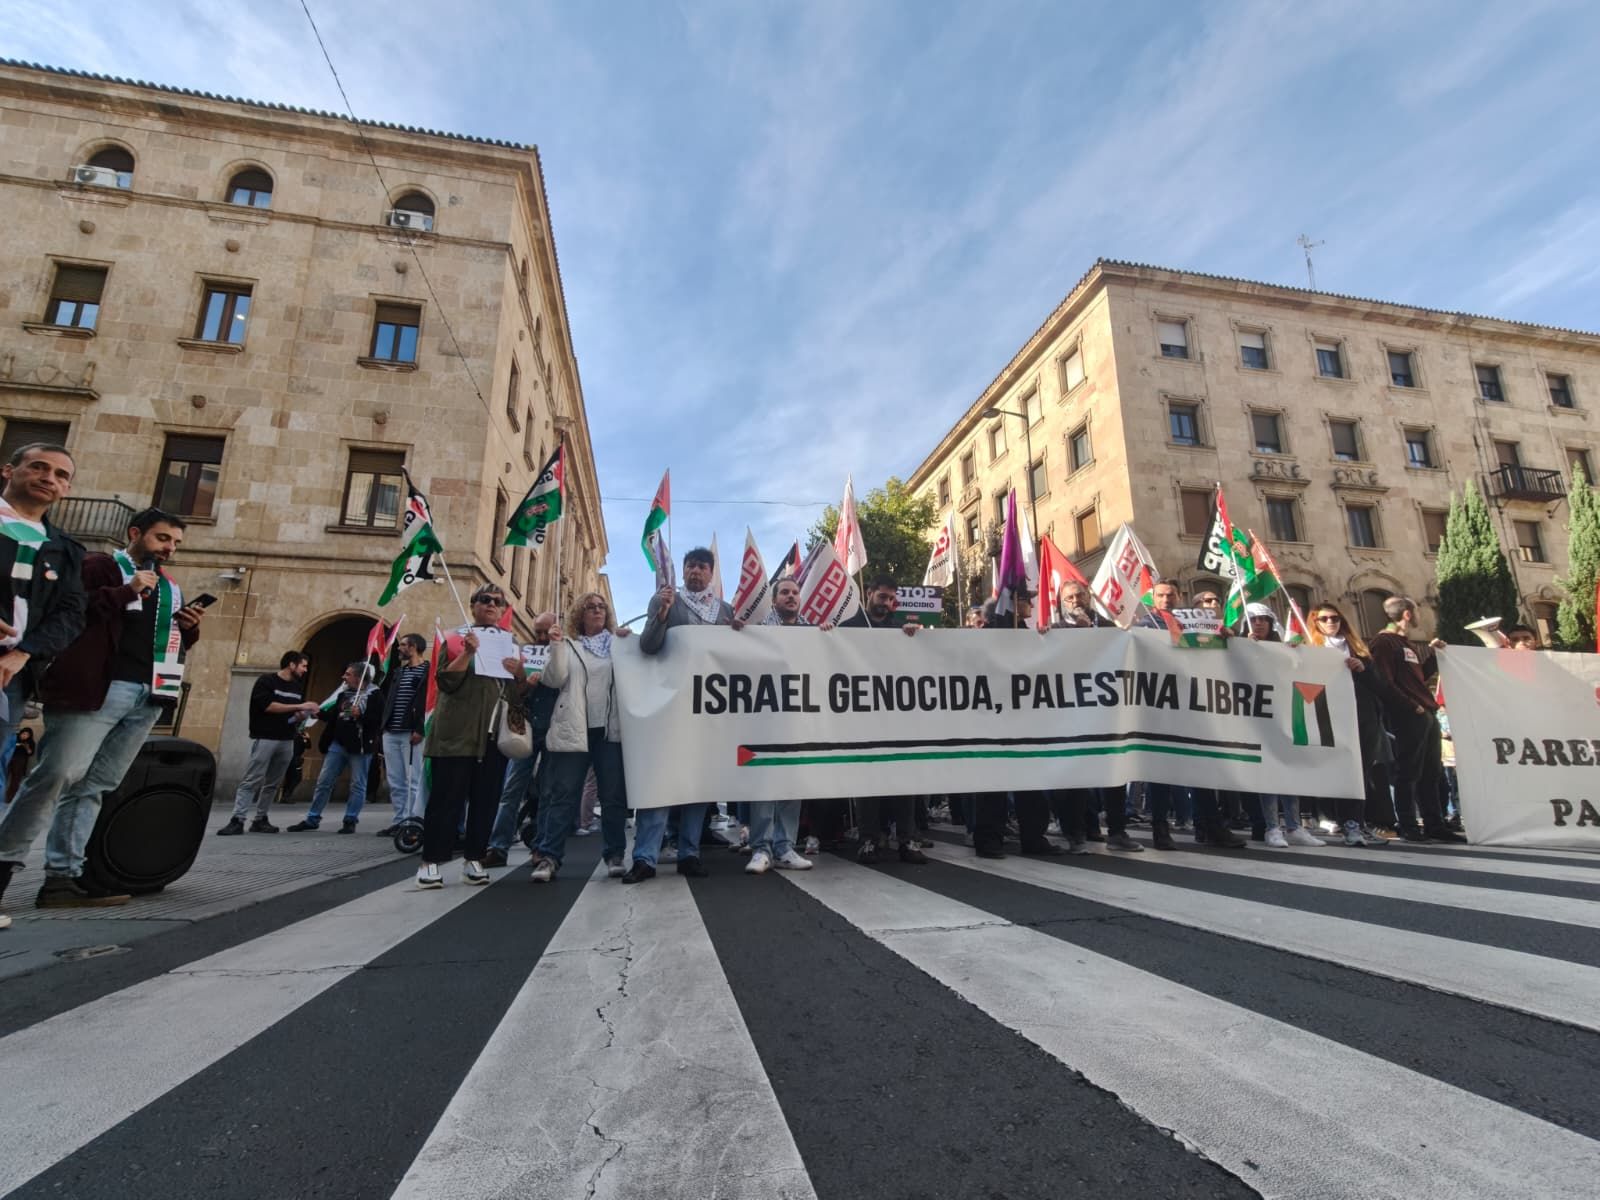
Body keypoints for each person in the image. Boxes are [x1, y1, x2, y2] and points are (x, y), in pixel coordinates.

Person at [0, 507, 202, 913]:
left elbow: (153, 637)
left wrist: (189, 628)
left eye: (176, 543)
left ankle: (63, 878)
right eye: (163, 539)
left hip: (148, 692)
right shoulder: (101, 566)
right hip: (99, 687)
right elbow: (71, 612)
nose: (169, 548)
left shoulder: (168, 587)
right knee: (55, 775)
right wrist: (127, 590)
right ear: (135, 533)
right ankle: (4, 865)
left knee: (95, 785)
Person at [625, 548, 734, 883]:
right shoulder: (665, 600)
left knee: (697, 784)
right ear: (683, 571)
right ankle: (645, 856)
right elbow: (648, 646)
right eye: (691, 566)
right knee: (659, 780)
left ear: (711, 572)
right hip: (669, 705)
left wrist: (741, 634)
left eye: (702, 566)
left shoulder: (726, 611)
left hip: (707, 709)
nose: (696, 571)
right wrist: (660, 615)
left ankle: (690, 852)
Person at [417, 586, 529, 888]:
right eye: (485, 600)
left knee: (486, 801)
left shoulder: (510, 644)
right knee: (445, 802)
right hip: (455, 736)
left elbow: (516, 698)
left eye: (497, 602)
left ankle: (474, 859)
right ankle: (430, 861)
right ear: (473, 605)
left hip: (493, 738)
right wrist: (467, 652)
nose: (491, 605)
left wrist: (519, 674)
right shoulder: (454, 638)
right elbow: (445, 681)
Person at [0, 443, 86, 797]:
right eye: (39, 467)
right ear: (9, 470)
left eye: (60, 475)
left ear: (66, 489)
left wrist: (26, 652)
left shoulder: (65, 550)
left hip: (12, 672)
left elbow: (72, 612)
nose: (48, 478)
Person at [530, 593, 630, 882]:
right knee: (563, 794)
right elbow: (554, 678)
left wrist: (628, 641)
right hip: (574, 728)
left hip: (609, 731)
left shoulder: (619, 645)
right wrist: (557, 646)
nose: (597, 611)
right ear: (580, 615)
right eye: (590, 607)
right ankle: (549, 856)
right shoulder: (569, 645)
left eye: (601, 607)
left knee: (612, 796)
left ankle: (614, 854)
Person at [840, 575, 931, 865]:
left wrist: (915, 637)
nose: (888, 603)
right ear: (869, 594)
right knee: (869, 782)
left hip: (897, 718)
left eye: (892, 599)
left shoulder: (899, 628)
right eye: (882, 597)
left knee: (903, 780)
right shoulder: (849, 627)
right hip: (863, 718)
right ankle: (869, 839)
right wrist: (827, 635)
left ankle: (907, 839)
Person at [1049, 581, 1143, 854]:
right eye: (1069, 597)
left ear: (1089, 597)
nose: (1076, 600)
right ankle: (1075, 833)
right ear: (1062, 602)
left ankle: (1117, 831)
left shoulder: (1108, 627)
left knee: (1114, 772)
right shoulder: (1054, 630)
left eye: (1080, 595)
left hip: (1107, 711)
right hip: (1072, 714)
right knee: (1075, 777)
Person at [732, 577, 814, 873]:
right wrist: (739, 636)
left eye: (795, 593)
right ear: (774, 599)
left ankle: (785, 847)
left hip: (798, 719)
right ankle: (761, 848)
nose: (791, 597)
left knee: (792, 782)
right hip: (765, 717)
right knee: (765, 782)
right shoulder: (758, 632)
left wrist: (829, 637)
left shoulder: (813, 632)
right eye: (785, 592)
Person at [971, 592, 1061, 860]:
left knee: (1030, 782)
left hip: (1025, 719)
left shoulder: (1025, 631)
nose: (1032, 605)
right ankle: (988, 839)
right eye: (1026, 600)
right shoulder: (988, 632)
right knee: (993, 784)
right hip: (994, 719)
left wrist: (1046, 640)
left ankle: (1033, 837)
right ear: (1012, 603)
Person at [1369, 596, 1466, 843]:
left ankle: (1435, 823)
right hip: (1410, 715)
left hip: (1426, 712)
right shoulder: (1383, 643)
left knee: (1431, 772)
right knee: (1408, 771)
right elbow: (1383, 682)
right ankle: (1408, 824)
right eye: (1417, 610)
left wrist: (1435, 657)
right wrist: (1412, 707)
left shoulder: (1406, 644)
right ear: (1408, 614)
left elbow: (1417, 680)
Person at [1307, 602, 1393, 847]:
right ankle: (1344, 821)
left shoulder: (1359, 651)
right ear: (1315, 623)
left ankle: (1356, 822)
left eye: (1335, 618)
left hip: (1363, 718)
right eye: (1324, 619)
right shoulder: (1312, 650)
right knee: (1339, 771)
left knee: (1361, 772)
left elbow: (1381, 686)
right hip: (1330, 718)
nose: (1331, 622)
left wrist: (1363, 669)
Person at [1242, 603, 1322, 847]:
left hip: (1286, 715)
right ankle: (1272, 827)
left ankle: (1294, 826)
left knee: (1289, 772)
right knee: (1269, 775)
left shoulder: (1284, 648)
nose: (1258, 623)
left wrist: (1296, 653)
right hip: (1258, 718)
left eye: (1263, 619)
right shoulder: (1241, 647)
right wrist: (1244, 646)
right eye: (1253, 619)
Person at [484, 611, 559, 867]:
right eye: (537, 632)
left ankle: (541, 847)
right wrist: (522, 679)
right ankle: (498, 846)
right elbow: (513, 693)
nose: (539, 637)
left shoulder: (563, 653)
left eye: (544, 632)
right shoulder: (523, 654)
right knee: (512, 790)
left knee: (548, 791)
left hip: (553, 730)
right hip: (523, 728)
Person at [219, 652, 319, 835]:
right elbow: (268, 706)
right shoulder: (266, 681)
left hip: (287, 739)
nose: (305, 670)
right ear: (291, 664)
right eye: (303, 665)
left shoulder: (297, 687)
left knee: (273, 782)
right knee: (252, 779)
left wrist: (302, 715)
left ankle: (260, 818)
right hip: (266, 737)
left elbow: (291, 712)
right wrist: (300, 707)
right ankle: (237, 819)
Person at [287, 661, 383, 832]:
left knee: (357, 784)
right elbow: (334, 717)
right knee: (324, 781)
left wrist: (361, 715)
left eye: (348, 674)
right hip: (338, 745)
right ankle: (312, 818)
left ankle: (350, 819)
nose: (343, 677)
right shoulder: (344, 695)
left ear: (359, 677)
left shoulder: (375, 695)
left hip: (360, 747)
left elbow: (377, 722)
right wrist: (317, 713)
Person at [377, 634, 429, 836]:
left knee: (414, 780)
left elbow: (428, 703)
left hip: (412, 732)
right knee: (396, 780)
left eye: (403, 645)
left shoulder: (428, 671)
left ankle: (413, 822)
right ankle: (399, 821)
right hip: (391, 731)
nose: (399, 648)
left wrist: (420, 728)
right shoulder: (399, 671)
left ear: (414, 647)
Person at [6, 726, 35, 802]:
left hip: (20, 762)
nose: (24, 736)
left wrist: (27, 747)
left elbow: (30, 753)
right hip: (8, 759)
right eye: (23, 734)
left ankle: (9, 798)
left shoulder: (30, 742)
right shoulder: (14, 739)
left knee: (15, 780)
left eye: (27, 735)